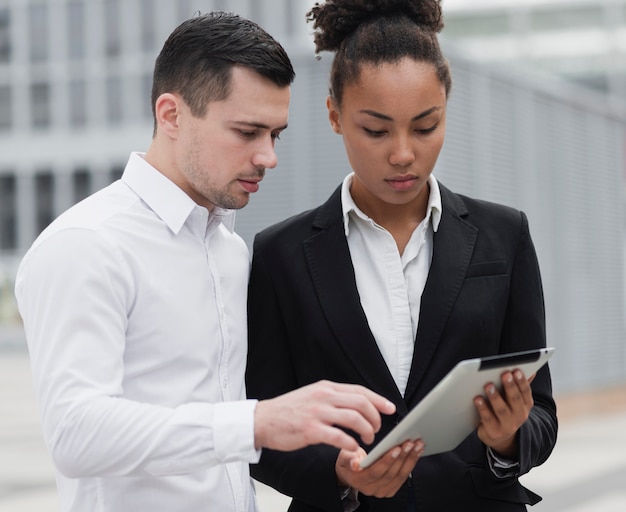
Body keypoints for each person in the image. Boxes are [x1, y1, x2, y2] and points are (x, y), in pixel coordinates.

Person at [14, 12, 398, 512]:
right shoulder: (86, 245)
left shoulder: (230, 251)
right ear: (172, 115)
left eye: (275, 134)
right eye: (247, 131)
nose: (268, 157)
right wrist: (255, 423)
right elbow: (76, 433)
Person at [245, 1, 558, 511]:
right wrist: (341, 475)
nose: (402, 153)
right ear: (335, 116)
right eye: (376, 129)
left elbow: (541, 413)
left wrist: (506, 440)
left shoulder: (505, 235)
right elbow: (260, 426)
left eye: (425, 126)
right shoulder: (280, 254)